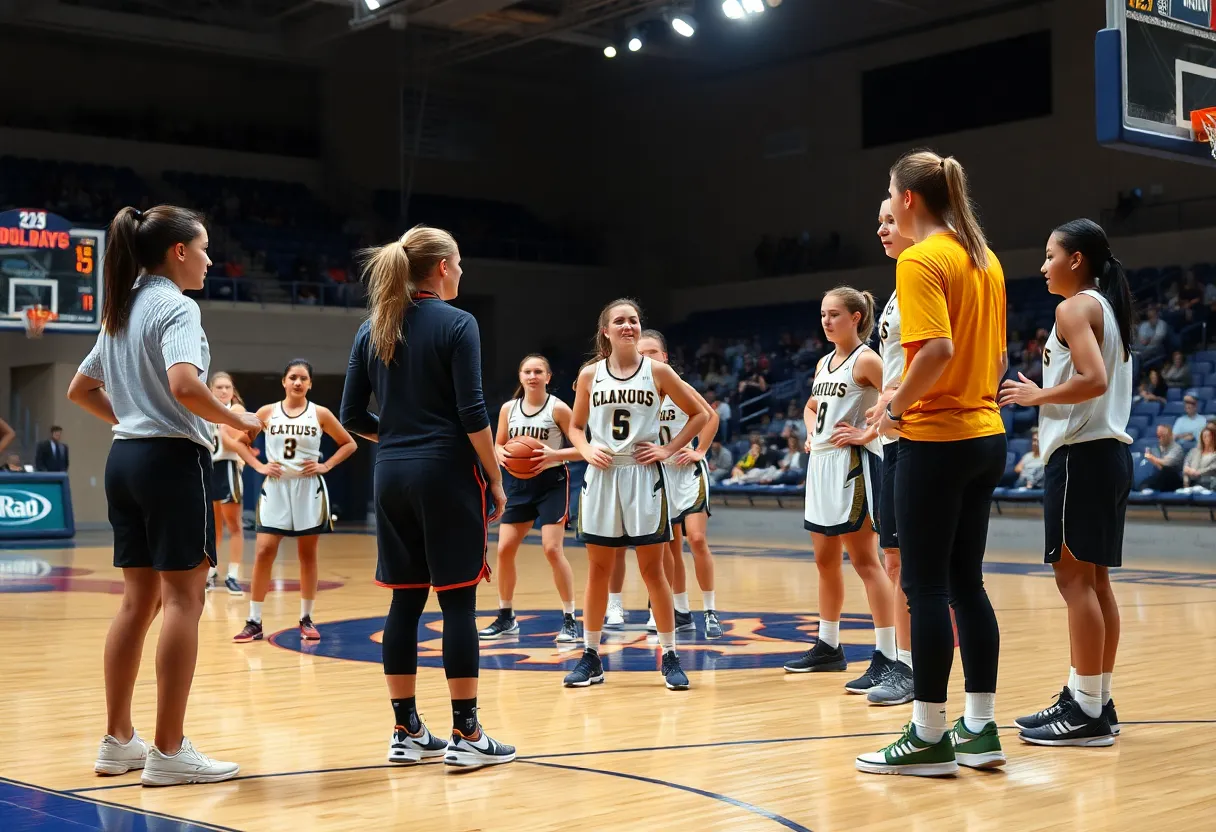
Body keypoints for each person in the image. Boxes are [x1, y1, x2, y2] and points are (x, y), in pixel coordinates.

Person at [68, 204, 262, 786]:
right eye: (203, 248)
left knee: (137, 602)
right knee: (184, 600)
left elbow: (80, 389)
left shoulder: (122, 307)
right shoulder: (177, 306)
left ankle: (118, 741)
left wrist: (130, 419)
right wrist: (237, 419)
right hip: (171, 460)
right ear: (178, 252)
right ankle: (169, 751)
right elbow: (184, 385)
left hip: (125, 459)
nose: (208, 259)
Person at [339, 224, 515, 768]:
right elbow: (472, 413)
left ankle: (406, 729)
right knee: (458, 601)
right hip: (445, 473)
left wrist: (395, 437)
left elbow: (349, 418)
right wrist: (497, 476)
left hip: (389, 475)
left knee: (404, 600)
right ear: (441, 268)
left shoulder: (372, 328)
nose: (461, 272)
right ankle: (467, 735)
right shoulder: (459, 323)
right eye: (458, 263)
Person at [858, 151, 1008, 776]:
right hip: (987, 435)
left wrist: (895, 407)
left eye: (890, 197)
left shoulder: (922, 259)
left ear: (909, 199)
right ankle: (980, 726)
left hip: (937, 439)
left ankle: (927, 735)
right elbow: (994, 360)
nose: (888, 208)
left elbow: (937, 351)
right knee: (967, 582)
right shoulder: (984, 258)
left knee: (924, 588)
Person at [1000, 218, 1134, 746]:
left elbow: (1093, 380)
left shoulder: (1074, 306)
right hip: (1105, 456)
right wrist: (1049, 390)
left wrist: (1037, 397)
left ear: (1076, 260)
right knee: (1096, 583)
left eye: (1050, 255)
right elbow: (1094, 380)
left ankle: (1086, 712)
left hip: (1082, 456)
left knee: (1074, 582)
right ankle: (1093, 696)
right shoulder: (1106, 307)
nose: (1043, 265)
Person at [561, 299, 706, 691]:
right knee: (599, 571)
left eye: (634, 320)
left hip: (644, 477)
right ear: (605, 331)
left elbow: (700, 415)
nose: (628, 326)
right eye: (620, 321)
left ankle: (670, 655)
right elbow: (575, 427)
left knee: (652, 571)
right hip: (604, 476)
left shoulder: (658, 371)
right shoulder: (590, 374)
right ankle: (591, 656)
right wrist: (586, 447)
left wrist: (667, 448)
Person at [785, 286, 897, 699]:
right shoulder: (824, 362)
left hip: (854, 465)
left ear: (856, 317)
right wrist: (813, 432)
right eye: (822, 314)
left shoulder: (867, 359)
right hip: (822, 465)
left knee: (866, 561)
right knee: (824, 559)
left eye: (834, 314)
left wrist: (868, 431)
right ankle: (828, 645)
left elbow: (896, 394)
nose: (826, 321)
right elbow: (812, 406)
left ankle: (887, 655)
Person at [231, 360, 357, 643]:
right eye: (292, 377)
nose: (298, 382)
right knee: (264, 551)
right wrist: (259, 465)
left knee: (307, 554)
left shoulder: (320, 413)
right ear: (284, 382)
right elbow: (239, 442)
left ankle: (306, 618)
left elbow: (349, 443)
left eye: (303, 378)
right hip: (276, 487)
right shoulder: (267, 412)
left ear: (310, 384)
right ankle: (254, 620)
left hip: (308, 488)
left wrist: (326, 466)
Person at [478, 354, 583, 643]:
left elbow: (583, 448)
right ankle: (506, 617)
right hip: (519, 485)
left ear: (548, 377)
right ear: (521, 376)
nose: (533, 375)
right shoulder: (508, 409)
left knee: (552, 549)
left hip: (552, 483)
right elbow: (498, 445)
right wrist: (502, 455)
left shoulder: (559, 409)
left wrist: (554, 455)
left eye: (539, 371)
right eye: (528, 371)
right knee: (504, 550)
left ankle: (570, 618)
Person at [862, 197, 918, 707]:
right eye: (878, 222)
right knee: (895, 559)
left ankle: (914, 667)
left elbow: (941, 355)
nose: (881, 228)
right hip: (891, 440)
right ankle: (902, 662)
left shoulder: (930, 273)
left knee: (917, 565)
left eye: (888, 219)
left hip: (917, 434)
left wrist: (898, 404)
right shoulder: (901, 286)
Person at [638, 330, 723, 639]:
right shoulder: (635, 394)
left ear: (665, 357)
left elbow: (710, 417)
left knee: (697, 539)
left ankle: (711, 610)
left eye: (652, 352)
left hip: (688, 472)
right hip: (659, 476)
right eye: (641, 353)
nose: (647, 358)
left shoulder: (679, 386)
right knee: (668, 549)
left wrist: (700, 450)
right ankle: (682, 611)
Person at [206, 372, 248, 595]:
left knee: (234, 525)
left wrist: (223, 428)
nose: (224, 391)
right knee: (213, 527)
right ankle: (211, 571)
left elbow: (234, 444)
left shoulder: (236, 411)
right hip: (210, 468)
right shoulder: (205, 411)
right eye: (219, 387)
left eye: (227, 387)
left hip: (229, 468)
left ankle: (233, 574)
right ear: (211, 390)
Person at [1141, 424, 1185, 492]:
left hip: (1174, 479)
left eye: (1163, 436)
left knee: (1166, 471)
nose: (1160, 439)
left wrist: (1151, 457)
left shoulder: (1177, 448)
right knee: (1144, 483)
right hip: (1160, 477)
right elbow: (1159, 466)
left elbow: (1166, 463)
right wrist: (1152, 460)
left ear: (1170, 436)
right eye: (1158, 436)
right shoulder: (1157, 448)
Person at [1182, 424, 1216, 490]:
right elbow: (1186, 466)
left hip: (1207, 482)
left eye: (1208, 436)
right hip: (1190, 481)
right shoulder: (1194, 451)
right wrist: (1189, 471)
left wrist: (1196, 472)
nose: (1206, 438)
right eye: (1204, 436)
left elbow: (1211, 469)